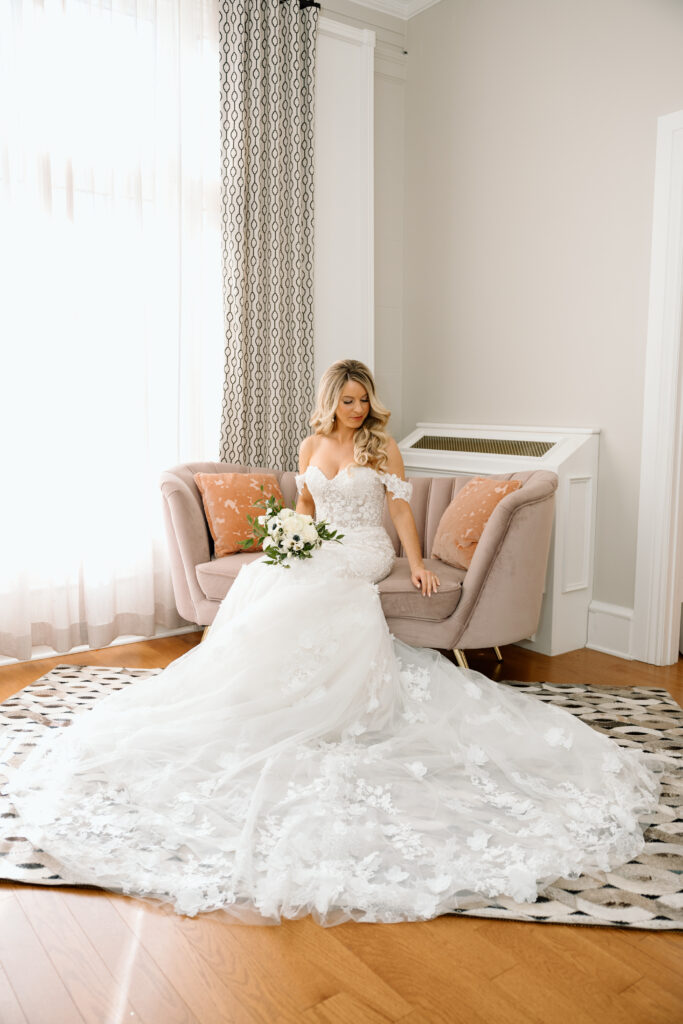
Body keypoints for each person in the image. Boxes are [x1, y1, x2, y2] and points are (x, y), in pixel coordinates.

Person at [4, 359, 664, 927]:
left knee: (310, 581)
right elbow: (308, 512)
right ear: (330, 402)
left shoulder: (381, 448)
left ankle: (311, 693)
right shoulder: (307, 446)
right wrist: (289, 536)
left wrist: (416, 563)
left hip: (366, 549)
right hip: (323, 543)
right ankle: (261, 687)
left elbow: (399, 511)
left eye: (362, 400)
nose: (355, 410)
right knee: (271, 572)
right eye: (346, 401)